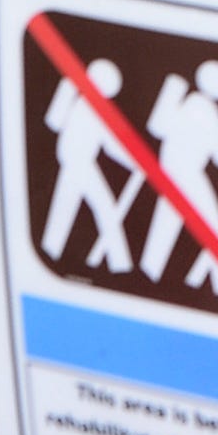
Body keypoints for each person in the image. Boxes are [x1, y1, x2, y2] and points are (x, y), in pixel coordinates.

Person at [139, 57, 218, 289]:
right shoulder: (205, 110)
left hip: (171, 173)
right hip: (186, 175)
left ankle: (149, 273)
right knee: (212, 227)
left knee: (167, 223)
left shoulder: (191, 103)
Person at [38, 56, 140, 273]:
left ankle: (51, 250)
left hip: (76, 162)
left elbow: (108, 144)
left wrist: (134, 164)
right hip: (79, 162)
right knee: (104, 208)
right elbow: (110, 145)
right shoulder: (91, 107)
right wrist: (135, 164)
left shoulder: (87, 104)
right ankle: (120, 265)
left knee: (66, 208)